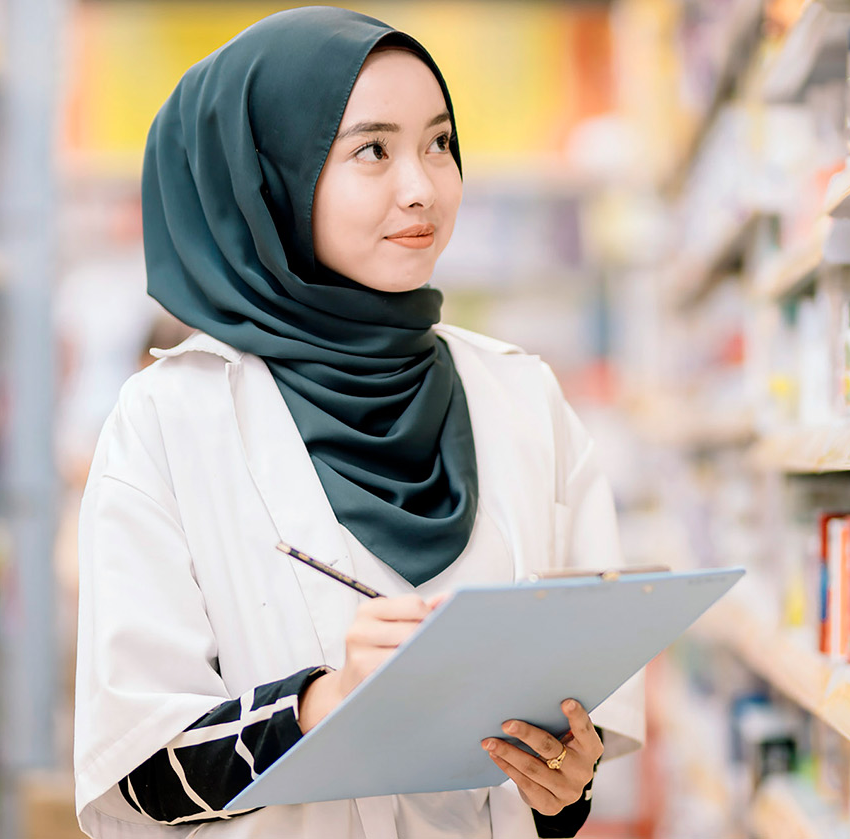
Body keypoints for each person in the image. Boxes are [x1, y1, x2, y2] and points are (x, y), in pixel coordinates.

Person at [72, 7, 644, 838]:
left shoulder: (522, 396)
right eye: (373, 150)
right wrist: (325, 701)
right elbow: (139, 769)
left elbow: (566, 743)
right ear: (268, 179)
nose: (422, 187)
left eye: (440, 143)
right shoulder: (169, 419)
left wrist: (562, 785)